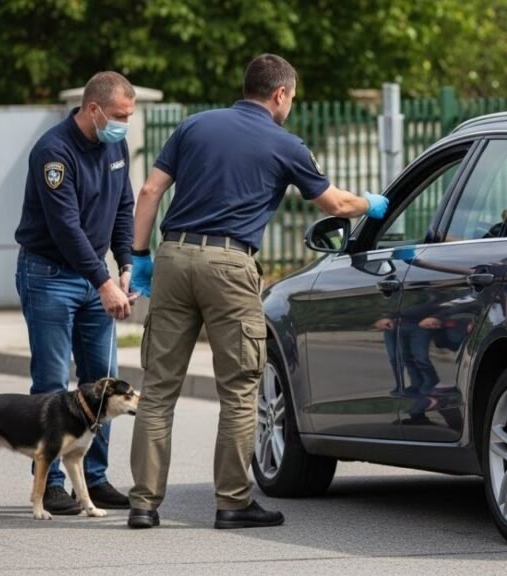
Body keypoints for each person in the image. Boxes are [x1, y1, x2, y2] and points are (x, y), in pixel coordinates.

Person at [126, 53, 388, 530]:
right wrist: (371, 203)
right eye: (292, 97)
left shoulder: (194, 127)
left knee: (159, 389)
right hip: (229, 264)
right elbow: (335, 203)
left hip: (174, 254)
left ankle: (143, 504)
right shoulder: (284, 143)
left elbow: (149, 192)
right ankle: (232, 502)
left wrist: (140, 256)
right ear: (280, 94)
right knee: (240, 388)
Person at [13, 71, 138, 514]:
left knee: (102, 386)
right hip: (48, 275)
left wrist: (125, 264)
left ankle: (95, 480)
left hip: (94, 277)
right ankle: (49, 484)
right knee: (51, 384)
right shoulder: (54, 152)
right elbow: (65, 228)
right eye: (120, 115)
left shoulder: (114, 144)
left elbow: (124, 206)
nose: (125, 123)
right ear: (93, 109)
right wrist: (103, 282)